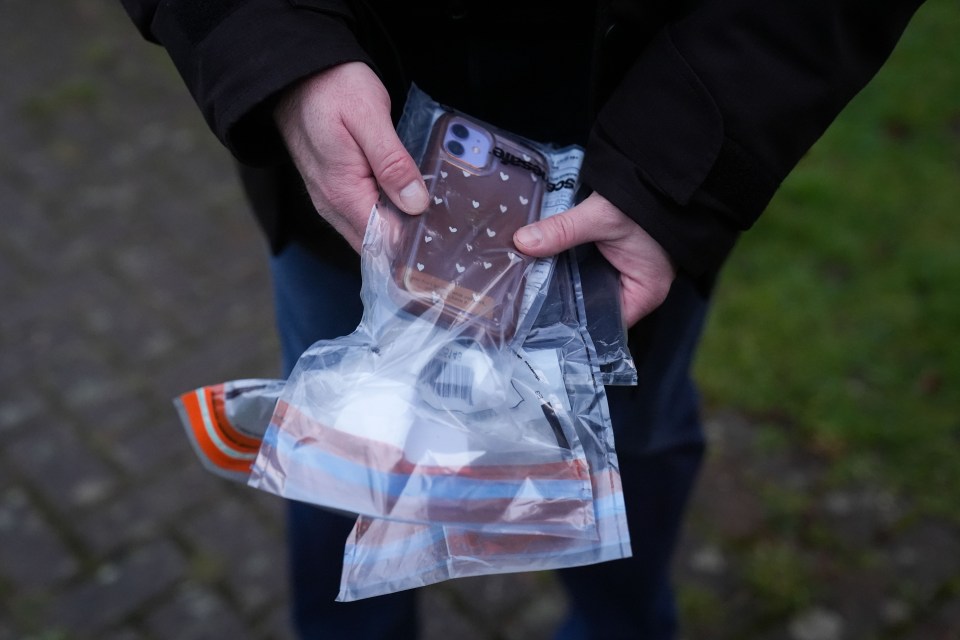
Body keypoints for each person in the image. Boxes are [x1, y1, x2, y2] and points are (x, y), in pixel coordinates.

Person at [120, 1, 924, 638]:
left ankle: (622, 626)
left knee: (622, 457)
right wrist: (272, 47)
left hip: (629, 193)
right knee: (344, 459)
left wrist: (680, 169)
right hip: (351, 178)